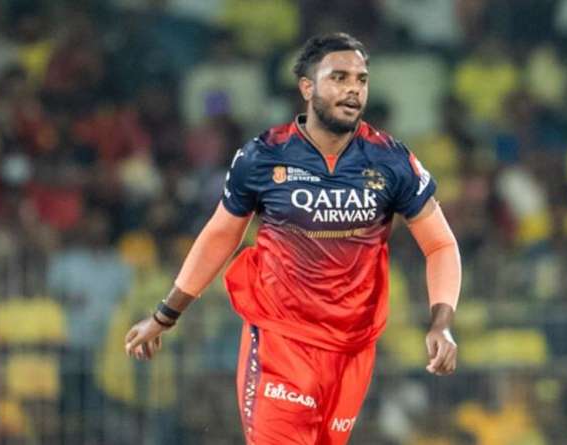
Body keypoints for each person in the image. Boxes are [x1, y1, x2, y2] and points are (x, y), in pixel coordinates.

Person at [125, 32, 462, 445]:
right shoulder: (263, 156)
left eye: (361, 79)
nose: (353, 89)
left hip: (352, 349)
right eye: (338, 77)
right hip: (280, 341)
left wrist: (441, 324)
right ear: (307, 87)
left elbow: (440, 244)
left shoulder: (391, 160)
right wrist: (165, 315)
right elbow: (220, 235)